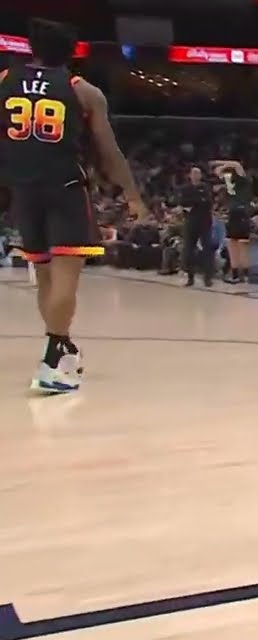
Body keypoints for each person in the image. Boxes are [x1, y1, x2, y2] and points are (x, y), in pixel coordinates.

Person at [0, 18, 146, 393]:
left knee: (45, 278)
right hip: (64, 188)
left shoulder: (4, 81)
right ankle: (53, 359)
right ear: (71, 53)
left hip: (23, 189)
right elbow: (109, 152)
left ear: (32, 48)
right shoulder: (84, 91)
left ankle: (61, 347)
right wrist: (132, 195)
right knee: (65, 279)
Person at [213, 159, 252, 283]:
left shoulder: (245, 181)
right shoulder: (229, 183)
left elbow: (236, 164)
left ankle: (245, 274)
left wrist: (219, 163)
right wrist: (222, 168)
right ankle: (235, 274)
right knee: (232, 244)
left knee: (242, 244)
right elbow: (219, 172)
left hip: (242, 213)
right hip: (233, 215)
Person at [179, 165, 214, 287]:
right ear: (190, 175)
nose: (196, 175)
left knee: (207, 249)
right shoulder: (185, 188)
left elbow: (208, 202)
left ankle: (208, 277)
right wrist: (199, 200)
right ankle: (190, 277)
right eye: (193, 173)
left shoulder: (206, 187)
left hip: (205, 222)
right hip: (191, 222)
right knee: (189, 250)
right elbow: (183, 202)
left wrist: (195, 202)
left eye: (198, 173)